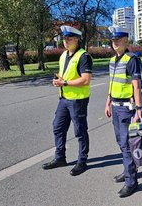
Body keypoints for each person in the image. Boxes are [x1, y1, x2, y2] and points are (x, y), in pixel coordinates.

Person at [42, 25, 92, 176]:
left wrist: (64, 83)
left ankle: (82, 161)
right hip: (64, 98)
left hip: (78, 100)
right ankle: (60, 158)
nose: (65, 41)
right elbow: (65, 75)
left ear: (77, 39)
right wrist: (59, 80)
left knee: (80, 131)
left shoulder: (84, 56)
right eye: (64, 38)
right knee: (58, 127)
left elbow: (86, 80)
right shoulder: (64, 55)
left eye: (69, 38)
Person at [104, 25, 142, 198]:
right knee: (121, 143)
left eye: (118, 40)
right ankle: (129, 170)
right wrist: (107, 103)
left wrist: (139, 108)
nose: (114, 43)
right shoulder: (113, 60)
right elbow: (112, 85)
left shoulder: (131, 59)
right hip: (115, 106)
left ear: (126, 41)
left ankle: (131, 182)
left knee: (127, 145)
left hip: (126, 109)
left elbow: (136, 86)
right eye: (113, 40)